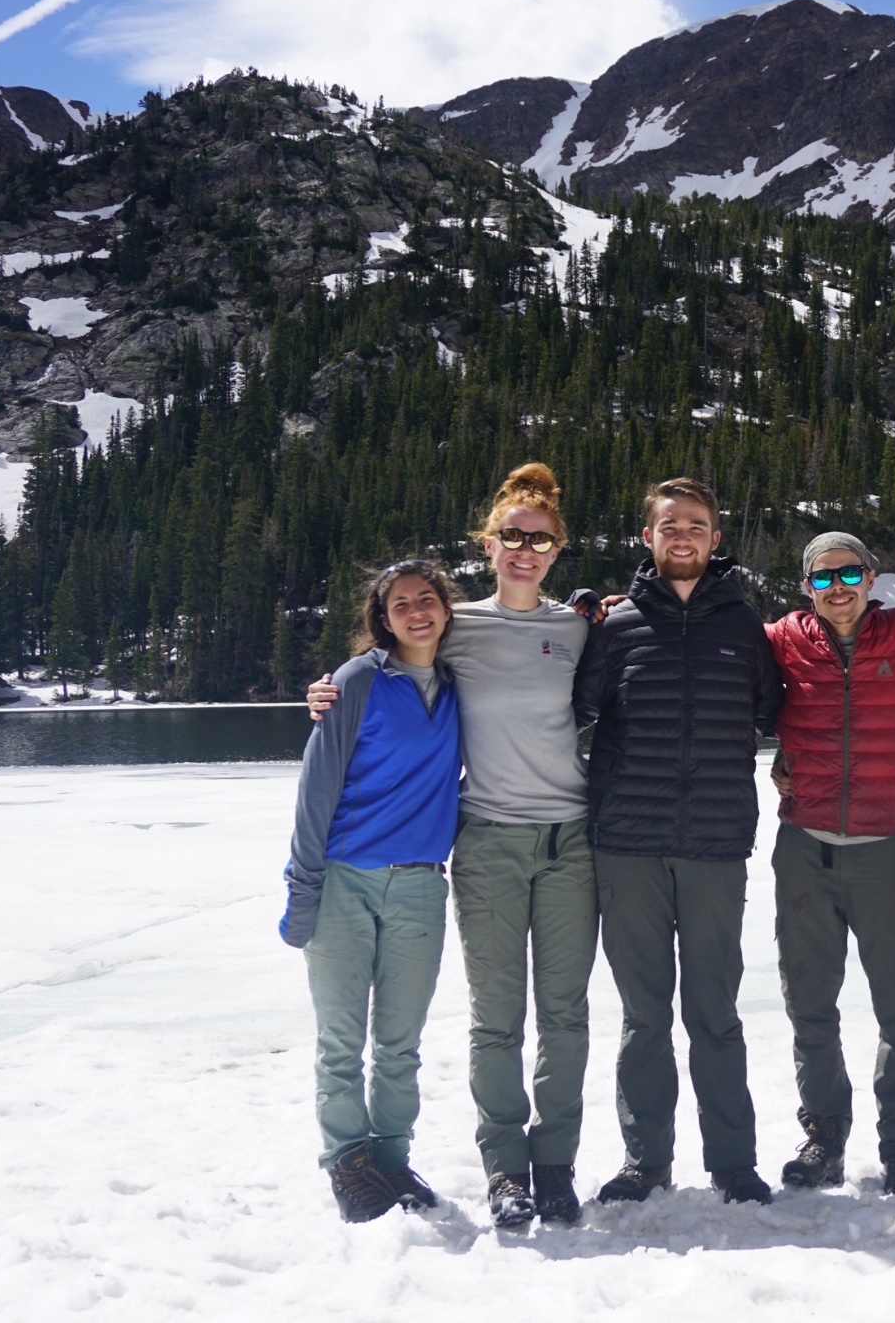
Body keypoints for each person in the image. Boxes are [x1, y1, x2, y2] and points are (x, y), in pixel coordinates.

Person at [309, 463, 598, 1229]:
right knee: (496, 1019)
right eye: (511, 536)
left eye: (539, 539)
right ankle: (505, 1170)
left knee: (564, 1014)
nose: (524, 549)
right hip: (486, 840)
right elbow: (391, 658)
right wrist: (329, 691)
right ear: (489, 543)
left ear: (557, 548)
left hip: (571, 837)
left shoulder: (576, 627)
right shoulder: (457, 623)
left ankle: (556, 1165)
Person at [573, 477, 784, 1205]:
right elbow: (570, 708)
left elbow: (770, 711)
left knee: (715, 1013)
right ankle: (647, 1160)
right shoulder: (616, 625)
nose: (684, 535)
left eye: (697, 523)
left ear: (716, 538)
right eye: (670, 524)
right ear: (649, 538)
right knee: (644, 1014)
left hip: (716, 846)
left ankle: (732, 1161)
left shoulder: (743, 627)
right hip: (626, 844)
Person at [278, 560, 461, 1224]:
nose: (416, 611)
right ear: (382, 619)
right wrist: (304, 886)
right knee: (340, 1038)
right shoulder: (357, 681)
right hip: (344, 882)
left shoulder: (458, 681)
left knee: (399, 1041)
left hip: (419, 884)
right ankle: (347, 1161)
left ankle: (390, 1157)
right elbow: (316, 787)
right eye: (400, 604)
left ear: (445, 607)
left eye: (427, 599)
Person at [763, 532, 895, 1194]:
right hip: (804, 844)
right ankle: (824, 1136)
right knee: (809, 1001)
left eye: (850, 573)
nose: (839, 587)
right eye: (823, 577)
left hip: (886, 845)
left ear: (873, 575)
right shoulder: (781, 638)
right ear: (807, 586)